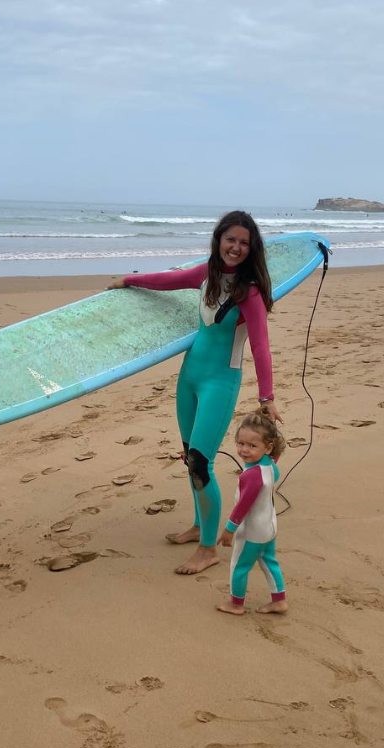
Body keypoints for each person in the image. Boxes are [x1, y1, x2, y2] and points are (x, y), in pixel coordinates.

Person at [108, 210, 281, 575]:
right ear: (219, 239)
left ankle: (208, 550)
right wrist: (129, 279)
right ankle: (200, 526)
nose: (235, 247)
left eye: (244, 243)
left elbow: (262, 347)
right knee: (189, 457)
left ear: (252, 249)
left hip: (220, 382)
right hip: (189, 378)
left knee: (202, 463)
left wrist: (267, 397)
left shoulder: (249, 293)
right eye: (230, 239)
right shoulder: (207, 274)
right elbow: (168, 281)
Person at [217, 411, 287, 615]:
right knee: (268, 560)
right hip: (269, 526)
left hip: (252, 531)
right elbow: (275, 456)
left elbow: (243, 506)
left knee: (239, 566)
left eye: (252, 445)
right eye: (241, 443)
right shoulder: (271, 466)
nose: (244, 450)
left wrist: (229, 529)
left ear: (268, 447)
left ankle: (236, 604)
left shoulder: (252, 476)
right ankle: (279, 600)